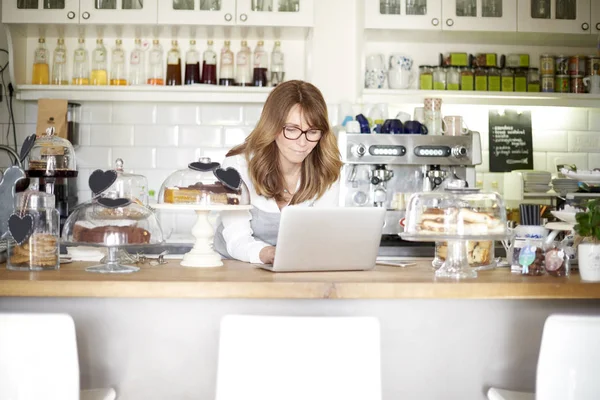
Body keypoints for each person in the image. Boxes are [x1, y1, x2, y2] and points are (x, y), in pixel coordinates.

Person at [213, 80, 343, 264]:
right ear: (272, 127)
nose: (302, 142)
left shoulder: (327, 170)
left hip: (292, 269)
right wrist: (272, 254)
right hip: (233, 268)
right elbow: (237, 240)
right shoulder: (238, 165)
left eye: (312, 131)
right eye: (292, 129)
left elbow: (321, 238)